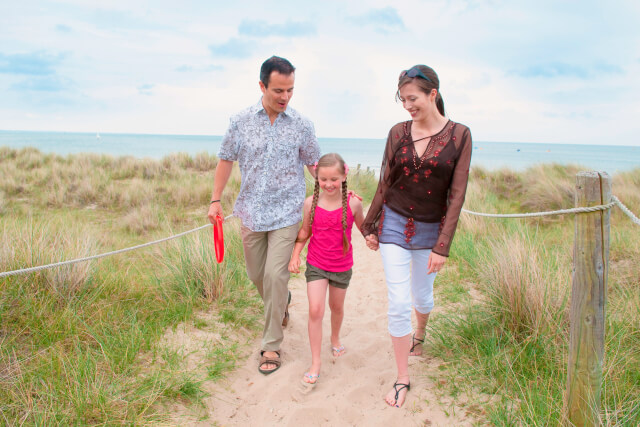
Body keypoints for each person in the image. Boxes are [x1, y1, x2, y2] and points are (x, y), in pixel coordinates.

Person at [362, 65, 472, 407]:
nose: (408, 106)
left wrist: (443, 246)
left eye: (413, 99)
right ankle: (402, 377)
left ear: (432, 95)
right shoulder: (397, 132)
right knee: (398, 302)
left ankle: (420, 332)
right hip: (394, 222)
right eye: (403, 100)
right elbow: (386, 181)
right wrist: (371, 224)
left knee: (422, 298)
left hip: (430, 229)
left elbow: (457, 195)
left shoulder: (460, 135)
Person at [208, 56, 321, 375]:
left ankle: (271, 345)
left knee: (275, 274)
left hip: (287, 213)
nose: (285, 97)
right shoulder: (240, 121)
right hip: (251, 213)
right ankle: (281, 301)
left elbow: (313, 162)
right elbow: (226, 160)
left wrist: (328, 178)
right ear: (262, 86)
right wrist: (216, 200)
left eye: (290, 90)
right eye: (278, 90)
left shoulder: (302, 124)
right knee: (258, 276)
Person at [288, 153, 364, 387]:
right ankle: (315, 363)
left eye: (334, 179)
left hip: (342, 266)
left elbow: (366, 229)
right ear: (317, 178)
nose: (329, 184)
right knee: (316, 310)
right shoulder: (310, 203)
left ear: (344, 175)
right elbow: (304, 232)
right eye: (323, 179)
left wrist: (376, 240)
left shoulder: (353, 203)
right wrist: (295, 255)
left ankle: (335, 337)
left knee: (336, 307)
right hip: (317, 265)